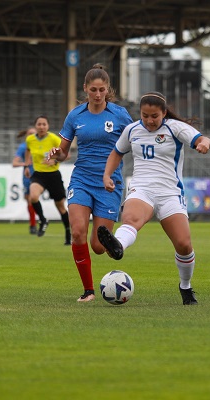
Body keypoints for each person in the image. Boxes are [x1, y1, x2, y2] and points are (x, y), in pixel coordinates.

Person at [96, 91, 210, 305]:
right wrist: (106, 175)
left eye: (154, 116)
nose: (149, 121)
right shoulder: (132, 130)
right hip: (142, 189)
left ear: (164, 113)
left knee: (184, 245)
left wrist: (204, 142)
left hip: (170, 193)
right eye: (144, 115)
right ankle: (117, 246)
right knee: (131, 219)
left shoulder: (175, 128)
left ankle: (185, 286)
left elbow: (200, 138)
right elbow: (117, 152)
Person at [46, 64, 133, 302]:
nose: (97, 94)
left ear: (107, 90)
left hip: (109, 183)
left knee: (97, 245)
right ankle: (88, 291)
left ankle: (111, 245)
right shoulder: (75, 115)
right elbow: (64, 153)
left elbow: (135, 141)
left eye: (101, 90)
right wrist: (56, 153)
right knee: (77, 232)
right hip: (81, 178)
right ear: (85, 88)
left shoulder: (120, 115)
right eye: (93, 89)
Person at [25, 115, 71, 244]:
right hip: (38, 174)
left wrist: (55, 160)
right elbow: (28, 151)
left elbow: (67, 155)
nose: (41, 127)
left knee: (60, 207)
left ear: (48, 126)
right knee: (33, 196)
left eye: (44, 124)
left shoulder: (54, 139)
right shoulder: (30, 139)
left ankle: (68, 233)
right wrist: (27, 166)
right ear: (35, 126)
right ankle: (43, 220)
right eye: (39, 124)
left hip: (53, 175)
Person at [12, 126, 38, 234]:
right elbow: (14, 163)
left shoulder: (41, 145)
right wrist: (25, 164)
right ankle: (33, 224)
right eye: (29, 134)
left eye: (33, 134)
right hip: (28, 176)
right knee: (29, 200)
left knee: (33, 198)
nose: (31, 136)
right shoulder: (23, 147)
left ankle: (34, 224)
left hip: (40, 175)